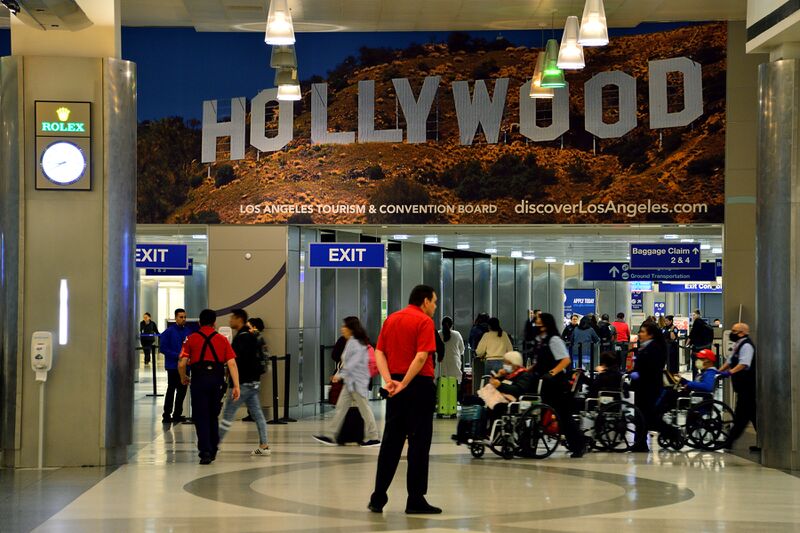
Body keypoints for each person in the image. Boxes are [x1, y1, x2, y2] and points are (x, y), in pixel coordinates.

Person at [369, 285, 440, 515]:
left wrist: (389, 380)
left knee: (391, 442)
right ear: (425, 301)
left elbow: (379, 352)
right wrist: (406, 383)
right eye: (434, 302)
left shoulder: (391, 319)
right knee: (419, 444)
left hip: (395, 387)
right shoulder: (424, 321)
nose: (435, 306)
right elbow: (421, 357)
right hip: (418, 386)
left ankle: (378, 497)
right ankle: (415, 499)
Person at [179, 309, 240, 465]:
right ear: (214, 323)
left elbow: (182, 363)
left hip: (198, 381)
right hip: (216, 382)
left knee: (201, 416)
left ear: (200, 322)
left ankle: (205, 451)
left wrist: (183, 377)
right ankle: (213, 447)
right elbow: (232, 363)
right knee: (213, 415)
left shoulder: (190, 339)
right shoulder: (222, 339)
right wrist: (236, 386)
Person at [314, 316, 381, 447]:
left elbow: (352, 363)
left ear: (351, 328)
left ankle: (374, 437)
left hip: (357, 382)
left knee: (364, 409)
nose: (342, 329)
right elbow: (344, 363)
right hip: (350, 382)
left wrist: (339, 376)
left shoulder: (357, 343)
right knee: (341, 408)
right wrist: (339, 374)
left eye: (344, 326)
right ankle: (331, 436)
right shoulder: (350, 341)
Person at [531, 313, 589, 458]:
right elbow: (538, 362)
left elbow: (565, 360)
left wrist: (552, 373)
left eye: (539, 319)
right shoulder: (540, 340)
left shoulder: (554, 340)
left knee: (563, 416)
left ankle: (579, 445)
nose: (536, 321)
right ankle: (529, 446)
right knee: (538, 414)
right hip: (543, 382)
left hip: (556, 384)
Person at [218, 309, 271, 456]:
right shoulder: (252, 336)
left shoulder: (241, 338)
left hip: (241, 384)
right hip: (254, 382)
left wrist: (234, 383)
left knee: (228, 415)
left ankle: (214, 444)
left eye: (232, 318)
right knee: (258, 414)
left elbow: (235, 362)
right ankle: (264, 445)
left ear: (239, 319)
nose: (230, 320)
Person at [719, 323, 758, 451]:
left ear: (742, 332)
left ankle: (729, 442)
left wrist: (729, 372)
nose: (732, 333)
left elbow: (744, 364)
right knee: (753, 415)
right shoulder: (738, 344)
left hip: (748, 387)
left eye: (734, 331)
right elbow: (730, 361)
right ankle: (764, 442)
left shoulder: (747, 346)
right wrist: (718, 371)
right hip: (742, 387)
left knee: (741, 416)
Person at [629, 322, 667, 452]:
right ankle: (639, 443)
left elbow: (653, 368)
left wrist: (639, 374)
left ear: (650, 335)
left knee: (646, 416)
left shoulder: (655, 348)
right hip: (643, 386)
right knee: (642, 415)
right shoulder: (646, 346)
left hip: (649, 386)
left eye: (642, 332)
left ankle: (671, 433)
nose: (640, 334)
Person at [160, 308, 189, 424]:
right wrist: (177, 355)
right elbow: (163, 348)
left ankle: (177, 414)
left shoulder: (188, 331)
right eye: (181, 317)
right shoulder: (168, 332)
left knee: (182, 391)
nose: (183, 319)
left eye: (185, 317)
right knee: (171, 389)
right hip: (172, 366)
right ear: (176, 318)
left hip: (185, 366)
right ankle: (167, 414)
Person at [242, 317, 269, 422]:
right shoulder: (258, 337)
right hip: (256, 368)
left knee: (252, 391)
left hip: (253, 368)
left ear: (254, 326)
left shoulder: (254, 337)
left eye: (248, 325)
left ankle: (253, 414)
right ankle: (252, 413)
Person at [438, 316, 464, 383]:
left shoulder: (438, 334)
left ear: (442, 324)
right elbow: (462, 350)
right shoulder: (457, 334)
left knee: (442, 385)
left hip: (441, 364)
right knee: (454, 385)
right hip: (454, 363)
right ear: (452, 325)